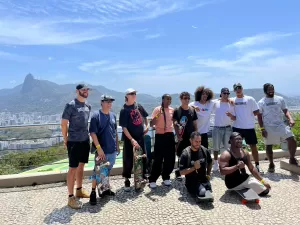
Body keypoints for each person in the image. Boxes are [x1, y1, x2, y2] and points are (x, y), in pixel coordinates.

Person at [61, 83, 92, 209]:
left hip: (85, 140)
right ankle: (70, 197)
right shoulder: (71, 105)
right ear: (77, 91)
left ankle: (79, 189)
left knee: (81, 166)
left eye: (86, 89)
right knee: (72, 168)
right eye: (83, 89)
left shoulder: (88, 106)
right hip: (73, 142)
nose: (85, 91)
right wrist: (66, 139)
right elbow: (64, 124)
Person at [257, 83, 299, 172]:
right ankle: (271, 163)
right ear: (265, 91)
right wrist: (262, 129)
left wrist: (290, 119)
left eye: (272, 89)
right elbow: (259, 117)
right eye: (269, 89)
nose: (271, 91)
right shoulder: (261, 102)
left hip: (280, 125)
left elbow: (285, 110)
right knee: (269, 146)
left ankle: (292, 158)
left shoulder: (279, 99)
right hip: (268, 126)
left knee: (292, 139)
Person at [89, 94, 120, 205]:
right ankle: (93, 192)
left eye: (111, 101)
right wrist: (99, 148)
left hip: (112, 150)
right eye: (107, 101)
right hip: (101, 150)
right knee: (97, 171)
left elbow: (115, 131)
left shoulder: (113, 115)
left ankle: (105, 189)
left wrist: (117, 145)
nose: (109, 103)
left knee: (107, 170)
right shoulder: (96, 116)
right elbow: (93, 133)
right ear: (101, 102)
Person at [119, 88, 149, 191]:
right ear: (127, 96)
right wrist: (131, 139)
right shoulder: (124, 110)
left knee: (143, 157)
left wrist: (147, 126)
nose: (134, 95)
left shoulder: (138, 106)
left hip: (140, 137)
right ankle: (127, 180)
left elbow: (145, 117)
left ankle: (142, 177)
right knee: (128, 159)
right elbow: (124, 127)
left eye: (135, 93)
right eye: (132, 93)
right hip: (129, 139)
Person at [231, 83, 263, 173]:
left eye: (239, 88)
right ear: (234, 90)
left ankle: (257, 165)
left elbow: (257, 111)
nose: (238, 89)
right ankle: (238, 165)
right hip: (237, 127)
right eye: (236, 88)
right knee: (237, 147)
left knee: (253, 146)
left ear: (242, 88)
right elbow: (222, 100)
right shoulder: (232, 100)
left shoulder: (250, 99)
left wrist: (248, 116)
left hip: (249, 127)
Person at [148, 94, 175, 188]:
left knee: (169, 158)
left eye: (170, 99)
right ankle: (152, 179)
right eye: (167, 99)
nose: (169, 100)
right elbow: (151, 124)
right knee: (158, 158)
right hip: (160, 135)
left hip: (170, 135)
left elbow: (174, 122)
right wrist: (158, 115)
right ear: (163, 99)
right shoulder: (157, 109)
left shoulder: (172, 110)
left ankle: (166, 177)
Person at [179, 132, 213, 197]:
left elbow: (210, 161)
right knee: (202, 192)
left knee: (208, 189)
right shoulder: (185, 154)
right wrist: (194, 168)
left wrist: (208, 174)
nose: (198, 144)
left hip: (203, 179)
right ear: (190, 141)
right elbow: (181, 172)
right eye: (196, 141)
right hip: (192, 181)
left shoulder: (204, 150)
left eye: (199, 141)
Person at [173, 92, 198, 180]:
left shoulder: (192, 110)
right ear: (181, 99)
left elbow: (195, 124)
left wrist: (196, 135)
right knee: (180, 154)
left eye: (188, 98)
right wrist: (178, 135)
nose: (187, 100)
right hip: (181, 137)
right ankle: (179, 173)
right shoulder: (177, 110)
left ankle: (190, 171)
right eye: (185, 98)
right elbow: (175, 123)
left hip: (191, 137)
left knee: (191, 153)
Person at [211, 87, 236, 172]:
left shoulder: (231, 104)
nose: (226, 95)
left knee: (227, 147)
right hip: (217, 128)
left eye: (227, 93)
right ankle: (215, 163)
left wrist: (230, 116)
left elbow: (234, 118)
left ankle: (226, 162)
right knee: (215, 147)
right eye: (224, 93)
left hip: (228, 128)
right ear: (221, 94)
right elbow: (207, 103)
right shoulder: (215, 102)